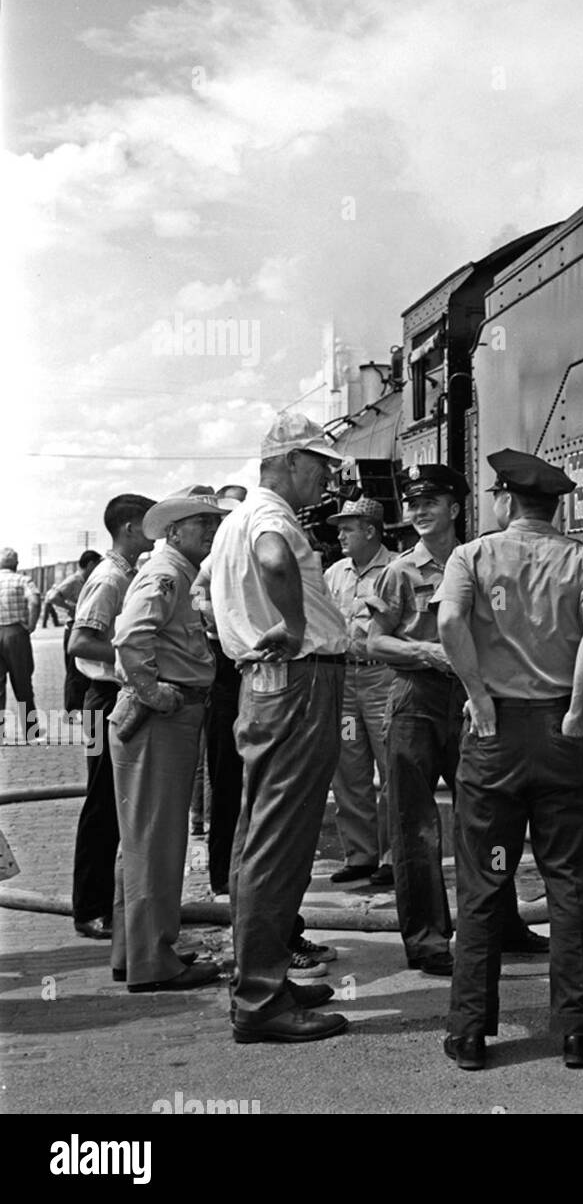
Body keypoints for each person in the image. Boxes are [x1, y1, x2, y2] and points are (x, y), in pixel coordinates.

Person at [436, 449, 583, 1071]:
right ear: (554, 505)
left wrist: (478, 696)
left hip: (495, 737)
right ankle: (577, 1031)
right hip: (561, 735)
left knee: (485, 882)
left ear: (508, 500)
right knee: (569, 881)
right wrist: (578, 708)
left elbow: (449, 619)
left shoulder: (470, 557)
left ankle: (468, 1032)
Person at [367, 465, 549, 977]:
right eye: (412, 503)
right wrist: (425, 651)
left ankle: (501, 923)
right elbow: (372, 641)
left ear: (454, 508)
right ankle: (427, 940)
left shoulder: (483, 562)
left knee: (491, 817)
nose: (419, 512)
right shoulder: (399, 572)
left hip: (474, 701)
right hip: (416, 701)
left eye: (431, 502)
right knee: (414, 826)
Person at [207, 412, 351, 1044]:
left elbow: (210, 590)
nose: (326, 477)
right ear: (290, 460)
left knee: (258, 832)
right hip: (299, 678)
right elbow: (273, 558)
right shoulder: (270, 518)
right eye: (319, 463)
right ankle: (261, 999)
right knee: (281, 839)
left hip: (264, 684)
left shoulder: (232, 520)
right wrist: (292, 625)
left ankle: (258, 976)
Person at [107, 492, 227, 992]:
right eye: (200, 523)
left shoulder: (176, 571)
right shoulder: (167, 573)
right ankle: (154, 962)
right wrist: (154, 692)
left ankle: (133, 953)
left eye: (213, 523)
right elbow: (131, 636)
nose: (210, 531)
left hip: (167, 720)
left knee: (140, 843)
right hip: (162, 722)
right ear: (173, 531)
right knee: (157, 844)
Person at [67, 497, 155, 938]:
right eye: (148, 523)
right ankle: (90, 909)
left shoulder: (128, 573)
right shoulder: (109, 577)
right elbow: (81, 643)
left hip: (116, 694)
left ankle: (106, 902)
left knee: (114, 801)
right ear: (127, 528)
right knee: (102, 802)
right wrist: (131, 660)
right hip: (104, 699)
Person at [323, 497, 395, 886]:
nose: (340, 534)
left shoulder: (396, 570)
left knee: (391, 766)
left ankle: (393, 856)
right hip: (347, 683)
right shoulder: (335, 574)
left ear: (370, 530)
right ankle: (361, 854)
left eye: (347, 528)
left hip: (382, 679)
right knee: (349, 768)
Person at [197, 485, 247, 898]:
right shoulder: (214, 559)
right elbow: (199, 593)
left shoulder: (250, 549)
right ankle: (222, 875)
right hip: (225, 668)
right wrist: (218, 616)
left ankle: (244, 870)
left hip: (256, 665)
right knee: (225, 775)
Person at [46, 552, 102, 715]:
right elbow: (52, 597)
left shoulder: (86, 580)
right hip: (73, 628)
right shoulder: (74, 580)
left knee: (82, 671)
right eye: (97, 564)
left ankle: (80, 708)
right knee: (73, 672)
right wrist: (73, 608)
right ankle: (71, 710)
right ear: (90, 564)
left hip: (82, 627)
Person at [0, 549, 40, 745]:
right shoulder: (22, 580)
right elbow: (34, 599)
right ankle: (30, 730)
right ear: (16, 564)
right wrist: (31, 625)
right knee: (23, 683)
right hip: (16, 634)